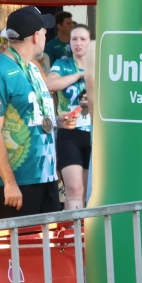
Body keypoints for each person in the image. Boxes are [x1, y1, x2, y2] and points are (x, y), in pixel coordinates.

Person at [0, 6, 60, 218]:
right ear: (35, 36)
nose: (47, 36)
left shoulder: (33, 67)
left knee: (50, 239)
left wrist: (59, 120)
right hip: (18, 185)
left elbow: (32, 116)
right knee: (21, 240)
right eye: (45, 31)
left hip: (46, 177)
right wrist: (9, 183)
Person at [46, 24, 93, 210]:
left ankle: (87, 227)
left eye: (83, 39)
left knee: (88, 190)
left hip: (94, 132)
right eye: (74, 39)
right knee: (74, 189)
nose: (78, 43)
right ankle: (73, 229)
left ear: (91, 42)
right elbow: (50, 84)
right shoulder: (63, 64)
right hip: (70, 132)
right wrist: (79, 75)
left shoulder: (101, 65)